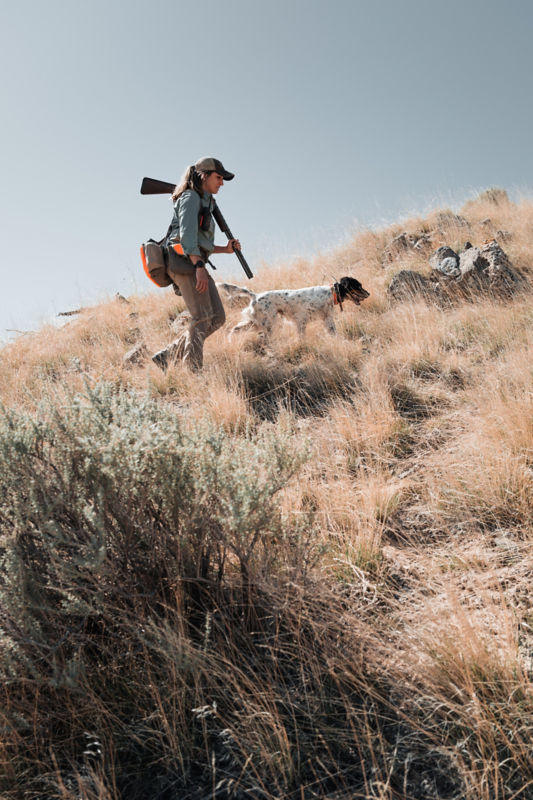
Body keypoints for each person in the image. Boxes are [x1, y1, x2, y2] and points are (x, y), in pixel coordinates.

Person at [152, 157, 241, 371]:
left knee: (217, 317)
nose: (221, 182)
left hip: (194, 260)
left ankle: (168, 355)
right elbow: (186, 236)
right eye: (218, 177)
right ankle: (192, 373)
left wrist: (225, 249)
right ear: (204, 176)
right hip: (184, 261)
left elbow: (201, 242)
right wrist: (199, 267)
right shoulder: (190, 197)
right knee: (201, 316)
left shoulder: (204, 200)